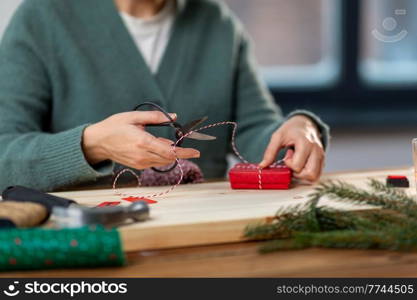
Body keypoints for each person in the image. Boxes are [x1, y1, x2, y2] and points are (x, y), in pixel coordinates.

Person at [0, 0, 329, 192]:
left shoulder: (217, 22)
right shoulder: (41, 19)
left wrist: (299, 129)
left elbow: (256, 129)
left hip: (206, 239)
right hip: (91, 244)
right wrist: (91, 144)